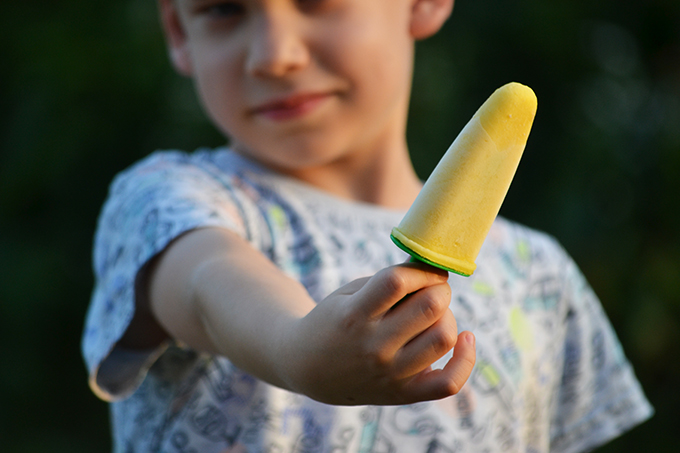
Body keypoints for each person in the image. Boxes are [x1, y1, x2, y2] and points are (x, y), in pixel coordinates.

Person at [82, 0, 653, 451]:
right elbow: (207, 279)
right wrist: (294, 350)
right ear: (178, 30)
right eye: (224, 9)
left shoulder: (540, 273)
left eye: (317, 0)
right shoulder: (166, 199)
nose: (273, 55)